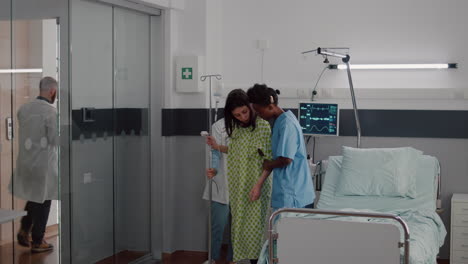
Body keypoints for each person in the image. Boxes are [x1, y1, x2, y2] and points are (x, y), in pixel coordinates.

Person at [206, 89, 272, 264]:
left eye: (244, 112)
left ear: (250, 106)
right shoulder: (238, 129)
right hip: (238, 186)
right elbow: (236, 151)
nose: (242, 117)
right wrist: (217, 146)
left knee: (253, 232)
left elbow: (268, 160)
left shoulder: (263, 126)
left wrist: (258, 185)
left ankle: (253, 260)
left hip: (255, 186)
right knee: (238, 229)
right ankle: (231, 260)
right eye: (237, 115)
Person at [247, 84, 315, 212]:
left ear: (271, 106)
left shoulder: (287, 124)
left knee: (288, 231)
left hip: (293, 195)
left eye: (260, 111)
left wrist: (268, 164)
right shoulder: (281, 120)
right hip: (288, 191)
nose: (259, 115)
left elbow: (286, 159)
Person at [12, 76, 59, 253]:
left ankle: (24, 230)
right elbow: (54, 140)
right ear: (52, 91)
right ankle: (38, 240)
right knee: (44, 200)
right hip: (43, 164)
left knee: (34, 197)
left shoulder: (24, 109)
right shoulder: (50, 112)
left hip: (26, 162)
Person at [203, 118, 234, 264]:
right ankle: (213, 258)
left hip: (240, 185)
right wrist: (214, 168)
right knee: (217, 227)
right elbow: (214, 152)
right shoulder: (219, 126)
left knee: (238, 229)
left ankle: (234, 259)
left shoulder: (250, 125)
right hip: (221, 182)